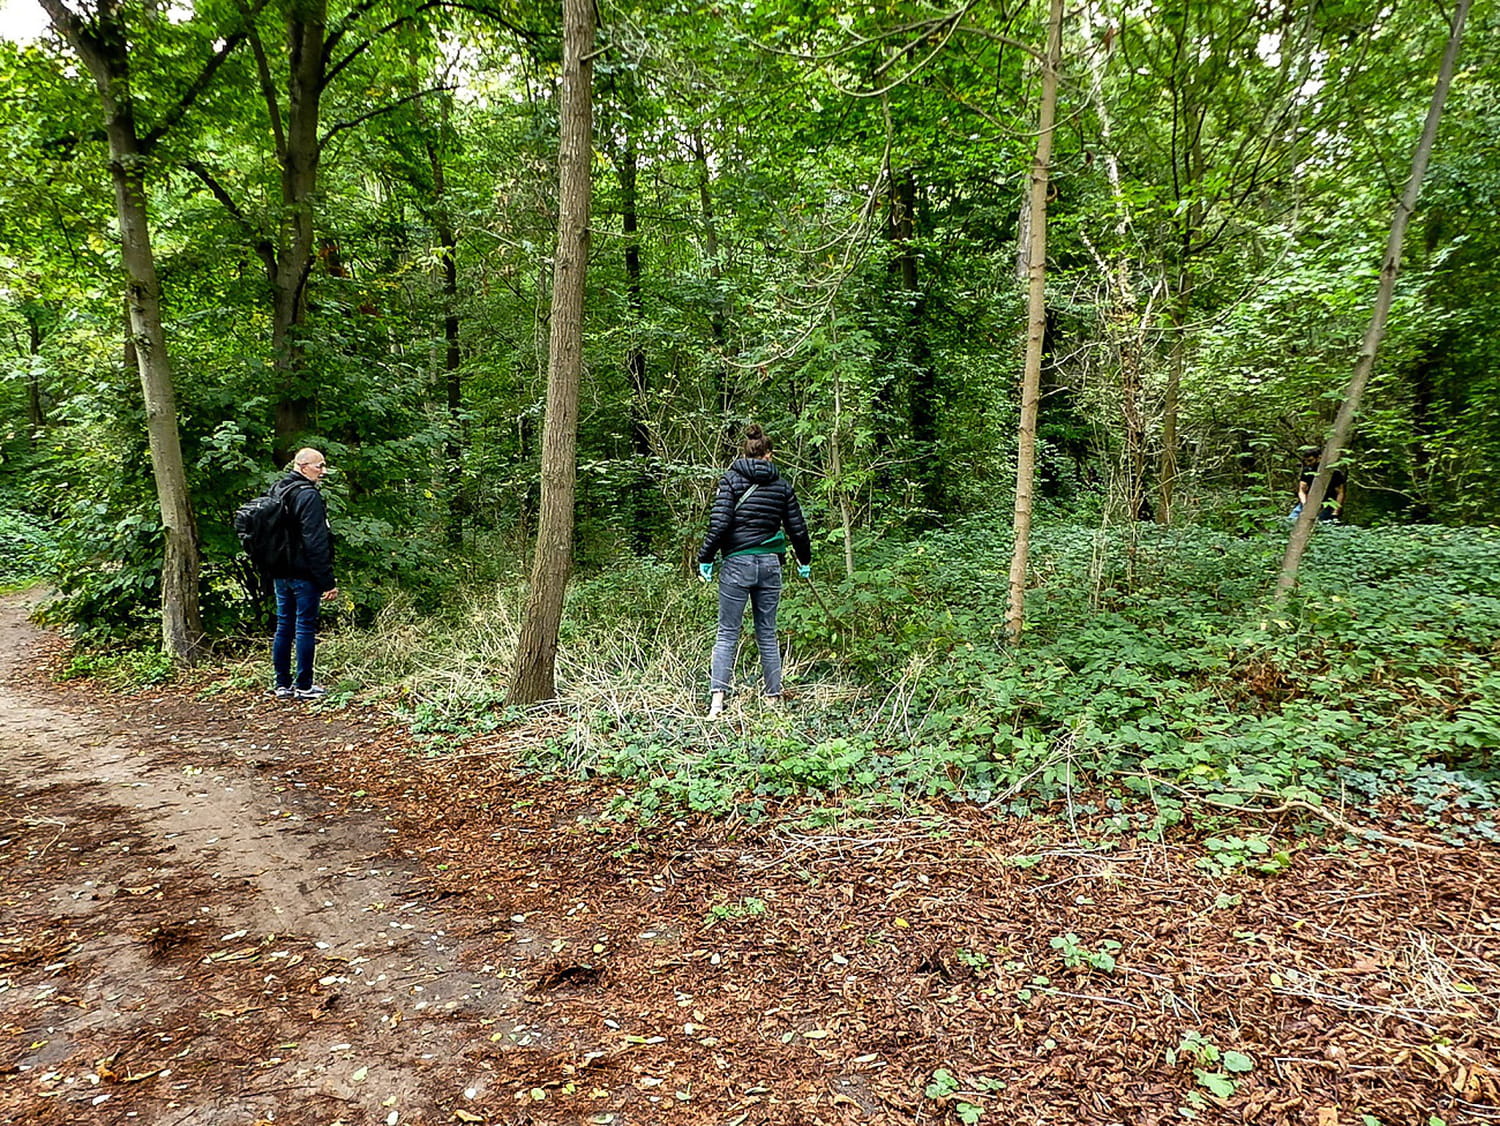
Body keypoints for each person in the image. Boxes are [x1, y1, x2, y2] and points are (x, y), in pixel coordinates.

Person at [697, 425, 811, 719]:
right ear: (769, 455)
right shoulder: (782, 485)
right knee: (767, 634)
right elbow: (797, 528)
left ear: (744, 451)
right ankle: (773, 700)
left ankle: (717, 704)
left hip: (737, 564)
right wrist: (804, 559)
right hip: (770, 564)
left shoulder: (731, 481)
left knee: (726, 633)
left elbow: (719, 525)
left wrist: (705, 558)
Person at [268, 448, 338, 700]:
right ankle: (304, 686)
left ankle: (282, 684)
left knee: (284, 625)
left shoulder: (278, 489)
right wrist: (327, 581)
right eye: (319, 466)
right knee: (304, 626)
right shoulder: (308, 495)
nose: (323, 471)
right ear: (302, 465)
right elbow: (315, 541)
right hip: (302, 572)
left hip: (279, 570)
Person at [1296, 451, 1346, 523]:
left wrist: (1336, 511)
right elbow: (1302, 490)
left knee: (1317, 523)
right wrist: (1305, 504)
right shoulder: (1307, 471)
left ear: (1319, 458)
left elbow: (1340, 492)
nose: (1308, 463)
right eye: (1306, 461)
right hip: (1308, 503)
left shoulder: (1334, 472)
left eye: (1310, 460)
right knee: (1290, 520)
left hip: (1327, 505)